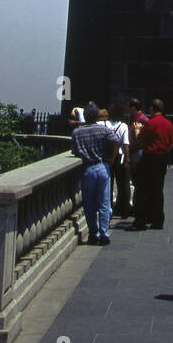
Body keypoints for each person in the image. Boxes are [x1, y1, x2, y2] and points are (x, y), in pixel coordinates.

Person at [70, 101, 120, 245]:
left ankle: (93, 234)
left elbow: (75, 151)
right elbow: (116, 141)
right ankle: (104, 234)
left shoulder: (77, 132)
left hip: (87, 169)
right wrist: (111, 158)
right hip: (102, 167)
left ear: (84, 116)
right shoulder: (103, 130)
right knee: (104, 203)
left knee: (89, 204)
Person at [133, 99, 173, 230]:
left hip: (149, 157)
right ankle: (157, 220)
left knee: (142, 189)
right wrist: (163, 152)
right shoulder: (168, 124)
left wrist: (137, 131)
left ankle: (141, 219)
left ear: (152, 109)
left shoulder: (150, 124)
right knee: (158, 190)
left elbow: (140, 140)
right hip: (162, 158)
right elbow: (172, 143)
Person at [103, 103, 132, 216]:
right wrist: (127, 160)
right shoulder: (123, 126)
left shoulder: (104, 124)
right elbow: (125, 144)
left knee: (108, 184)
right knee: (122, 184)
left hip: (107, 157)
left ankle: (108, 207)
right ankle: (124, 209)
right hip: (120, 157)